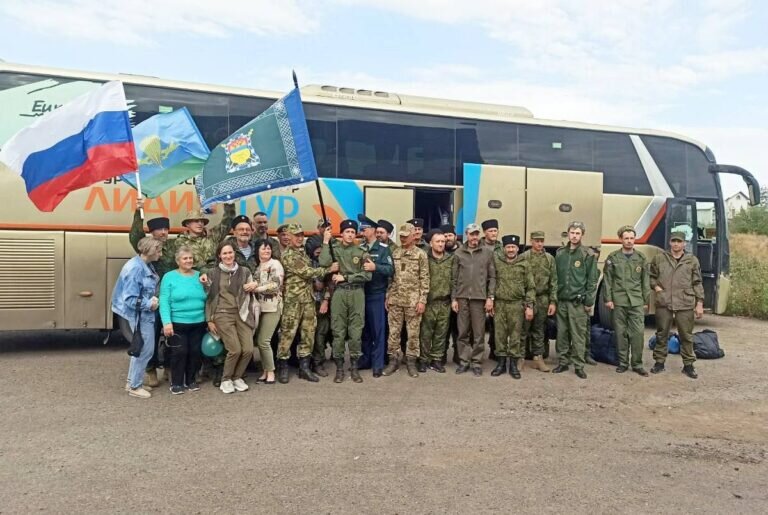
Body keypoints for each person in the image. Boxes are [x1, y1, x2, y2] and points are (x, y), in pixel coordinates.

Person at [128, 199, 175, 387]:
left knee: (172, 334)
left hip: (170, 297)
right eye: (159, 229)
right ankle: (151, 369)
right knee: (152, 336)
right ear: (152, 232)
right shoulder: (147, 246)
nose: (163, 232)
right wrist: (138, 212)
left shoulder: (173, 246)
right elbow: (134, 236)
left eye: (166, 229)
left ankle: (170, 367)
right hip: (152, 299)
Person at [319, 219, 372, 383]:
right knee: (338, 331)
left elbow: (368, 275)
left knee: (356, 332)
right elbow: (323, 262)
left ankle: (354, 368)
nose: (350, 234)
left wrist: (346, 277)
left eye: (352, 232)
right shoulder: (333, 248)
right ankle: (340, 368)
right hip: (339, 294)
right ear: (341, 233)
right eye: (347, 232)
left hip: (356, 293)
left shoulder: (361, 251)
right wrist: (326, 241)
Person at [277, 224, 330, 383]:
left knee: (308, 334)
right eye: (296, 235)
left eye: (301, 235)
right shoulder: (288, 255)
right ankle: (283, 367)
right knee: (288, 334)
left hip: (308, 300)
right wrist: (327, 269)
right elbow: (307, 272)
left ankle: (304, 368)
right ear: (289, 236)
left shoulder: (303, 253)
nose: (299, 238)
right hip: (293, 302)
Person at [649, 231, 705, 379]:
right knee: (662, 334)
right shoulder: (660, 259)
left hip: (685, 302)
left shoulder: (692, 260)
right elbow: (651, 277)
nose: (676, 244)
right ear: (670, 243)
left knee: (686, 335)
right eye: (673, 241)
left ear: (684, 244)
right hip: (664, 301)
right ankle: (659, 363)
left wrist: (699, 303)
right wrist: (656, 288)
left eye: (679, 241)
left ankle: (688, 365)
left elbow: (697, 282)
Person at [112, 237, 162, 399]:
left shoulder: (142, 264)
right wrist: (150, 304)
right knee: (145, 351)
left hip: (142, 314)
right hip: (141, 315)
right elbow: (130, 299)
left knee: (139, 348)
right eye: (158, 250)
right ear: (149, 251)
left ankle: (132, 381)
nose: (160, 254)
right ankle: (135, 386)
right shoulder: (136, 269)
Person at [204, 241, 256, 394]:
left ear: (235, 254)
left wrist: (254, 284)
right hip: (222, 314)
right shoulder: (213, 273)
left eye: (230, 252)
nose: (228, 256)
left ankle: (237, 377)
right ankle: (226, 379)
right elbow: (210, 298)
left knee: (247, 349)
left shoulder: (245, 271)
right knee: (234, 349)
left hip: (242, 313)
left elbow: (253, 284)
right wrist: (209, 319)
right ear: (219, 256)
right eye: (224, 253)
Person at [382, 223, 430, 378]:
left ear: (413, 235)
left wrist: (422, 300)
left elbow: (425, 278)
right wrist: (388, 296)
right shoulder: (395, 253)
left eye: (405, 236)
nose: (402, 238)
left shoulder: (421, 254)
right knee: (393, 333)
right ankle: (393, 361)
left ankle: (411, 362)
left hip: (413, 301)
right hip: (395, 300)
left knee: (413, 334)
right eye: (400, 236)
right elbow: (391, 278)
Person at [552, 221, 598, 379]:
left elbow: (592, 280)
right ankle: (563, 362)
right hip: (562, 301)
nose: (574, 236)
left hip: (578, 302)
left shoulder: (587, 254)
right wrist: (554, 299)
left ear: (582, 235)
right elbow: (555, 278)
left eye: (578, 233)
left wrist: (589, 302)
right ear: (568, 233)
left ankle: (579, 365)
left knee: (578, 334)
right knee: (562, 333)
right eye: (572, 232)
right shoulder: (560, 254)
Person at [603, 225, 651, 376]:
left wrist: (645, 300)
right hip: (619, 301)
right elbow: (607, 280)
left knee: (638, 333)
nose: (629, 241)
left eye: (632, 238)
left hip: (636, 300)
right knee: (620, 333)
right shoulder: (613, 258)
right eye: (626, 238)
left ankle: (637, 364)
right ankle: (623, 362)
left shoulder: (641, 258)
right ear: (620, 240)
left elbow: (645, 281)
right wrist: (608, 299)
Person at [159, 246, 208, 394]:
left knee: (195, 352)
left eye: (190, 258)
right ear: (177, 261)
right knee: (180, 352)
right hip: (178, 323)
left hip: (198, 322)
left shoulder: (200, 276)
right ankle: (177, 382)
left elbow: (209, 297)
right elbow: (164, 300)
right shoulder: (169, 277)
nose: (188, 261)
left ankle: (191, 380)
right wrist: (167, 322)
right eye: (185, 258)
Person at [451, 223, 496, 376]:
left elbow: (492, 277)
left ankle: (476, 362)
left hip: (479, 299)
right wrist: (454, 299)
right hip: (462, 298)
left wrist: (490, 297)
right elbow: (454, 279)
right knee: (462, 332)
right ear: (467, 235)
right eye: (472, 234)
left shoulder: (487, 253)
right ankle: (464, 361)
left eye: (477, 234)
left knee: (478, 333)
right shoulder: (458, 253)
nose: (474, 237)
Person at [491, 235, 535, 379]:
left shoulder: (524, 263)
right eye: (508, 247)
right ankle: (501, 364)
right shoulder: (498, 262)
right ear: (504, 248)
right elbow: (491, 281)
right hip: (500, 304)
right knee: (500, 335)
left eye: (513, 247)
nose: (510, 250)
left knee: (516, 336)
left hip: (517, 305)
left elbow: (530, 287)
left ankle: (514, 366)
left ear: (517, 248)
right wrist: (490, 299)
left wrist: (529, 306)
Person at [358, 215, 394, 378]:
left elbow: (390, 270)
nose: (362, 232)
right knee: (364, 330)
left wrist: (375, 267)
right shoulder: (359, 247)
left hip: (376, 295)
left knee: (378, 331)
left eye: (364, 229)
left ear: (372, 230)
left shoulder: (383, 248)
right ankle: (366, 359)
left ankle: (378, 364)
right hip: (360, 293)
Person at [520, 231, 556, 372]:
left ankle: (538, 358)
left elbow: (554, 281)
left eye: (541, 240)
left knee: (539, 330)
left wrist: (553, 301)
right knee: (523, 329)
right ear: (531, 241)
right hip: (527, 299)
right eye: (536, 241)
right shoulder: (524, 257)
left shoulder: (549, 259)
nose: (539, 243)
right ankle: (520, 358)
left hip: (543, 299)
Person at [419, 230, 454, 373]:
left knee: (441, 333)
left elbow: (454, 280)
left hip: (444, 302)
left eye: (443, 241)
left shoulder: (451, 259)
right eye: (437, 241)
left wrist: (454, 299)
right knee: (425, 333)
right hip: (429, 302)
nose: (441, 244)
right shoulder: (424, 258)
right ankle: (423, 360)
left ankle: (437, 360)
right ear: (430, 243)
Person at [250, 239, 284, 384]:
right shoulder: (259, 266)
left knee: (264, 340)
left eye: (268, 248)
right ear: (257, 251)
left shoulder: (275, 264)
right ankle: (265, 371)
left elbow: (276, 285)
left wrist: (256, 288)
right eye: (263, 249)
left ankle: (271, 372)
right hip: (261, 308)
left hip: (273, 307)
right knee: (260, 340)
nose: (266, 251)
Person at [176, 204, 236, 271]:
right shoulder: (180, 242)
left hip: (214, 276)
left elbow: (228, 221)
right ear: (187, 224)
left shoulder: (213, 235)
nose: (200, 224)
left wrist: (229, 202)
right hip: (193, 278)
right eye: (196, 221)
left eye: (202, 221)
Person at [306, 235, 332, 377]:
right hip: (307, 303)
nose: (320, 255)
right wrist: (313, 284)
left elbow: (329, 283)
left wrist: (326, 300)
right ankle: (304, 362)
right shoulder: (305, 262)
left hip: (322, 303)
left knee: (321, 334)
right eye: (317, 253)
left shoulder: (326, 263)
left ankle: (318, 362)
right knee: (306, 335)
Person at [481, 219, 502, 361]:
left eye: (495, 231)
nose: (493, 233)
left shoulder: (502, 247)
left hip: (498, 289)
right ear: (485, 233)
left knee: (497, 323)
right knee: (478, 325)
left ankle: (494, 351)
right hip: (480, 288)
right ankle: (475, 354)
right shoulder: (479, 247)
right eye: (491, 231)